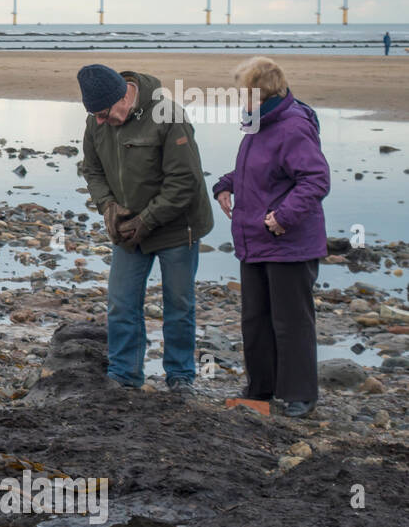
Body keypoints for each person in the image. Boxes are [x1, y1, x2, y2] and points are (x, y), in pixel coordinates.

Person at [78, 64, 215, 392]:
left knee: (178, 304)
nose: (100, 121)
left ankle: (181, 376)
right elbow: (92, 169)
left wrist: (147, 220)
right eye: (95, 115)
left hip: (176, 228)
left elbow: (185, 181)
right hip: (128, 230)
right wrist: (108, 206)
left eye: (105, 114)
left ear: (124, 96)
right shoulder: (96, 120)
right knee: (121, 302)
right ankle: (124, 374)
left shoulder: (168, 116)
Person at [212, 57, 329, 418]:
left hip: (288, 242)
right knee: (256, 318)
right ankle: (260, 389)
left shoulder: (293, 125)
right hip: (254, 241)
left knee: (291, 321)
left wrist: (283, 217)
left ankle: (300, 396)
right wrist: (225, 184)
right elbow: (256, 169)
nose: (239, 100)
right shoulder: (257, 124)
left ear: (261, 93)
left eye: (243, 93)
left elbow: (315, 179)